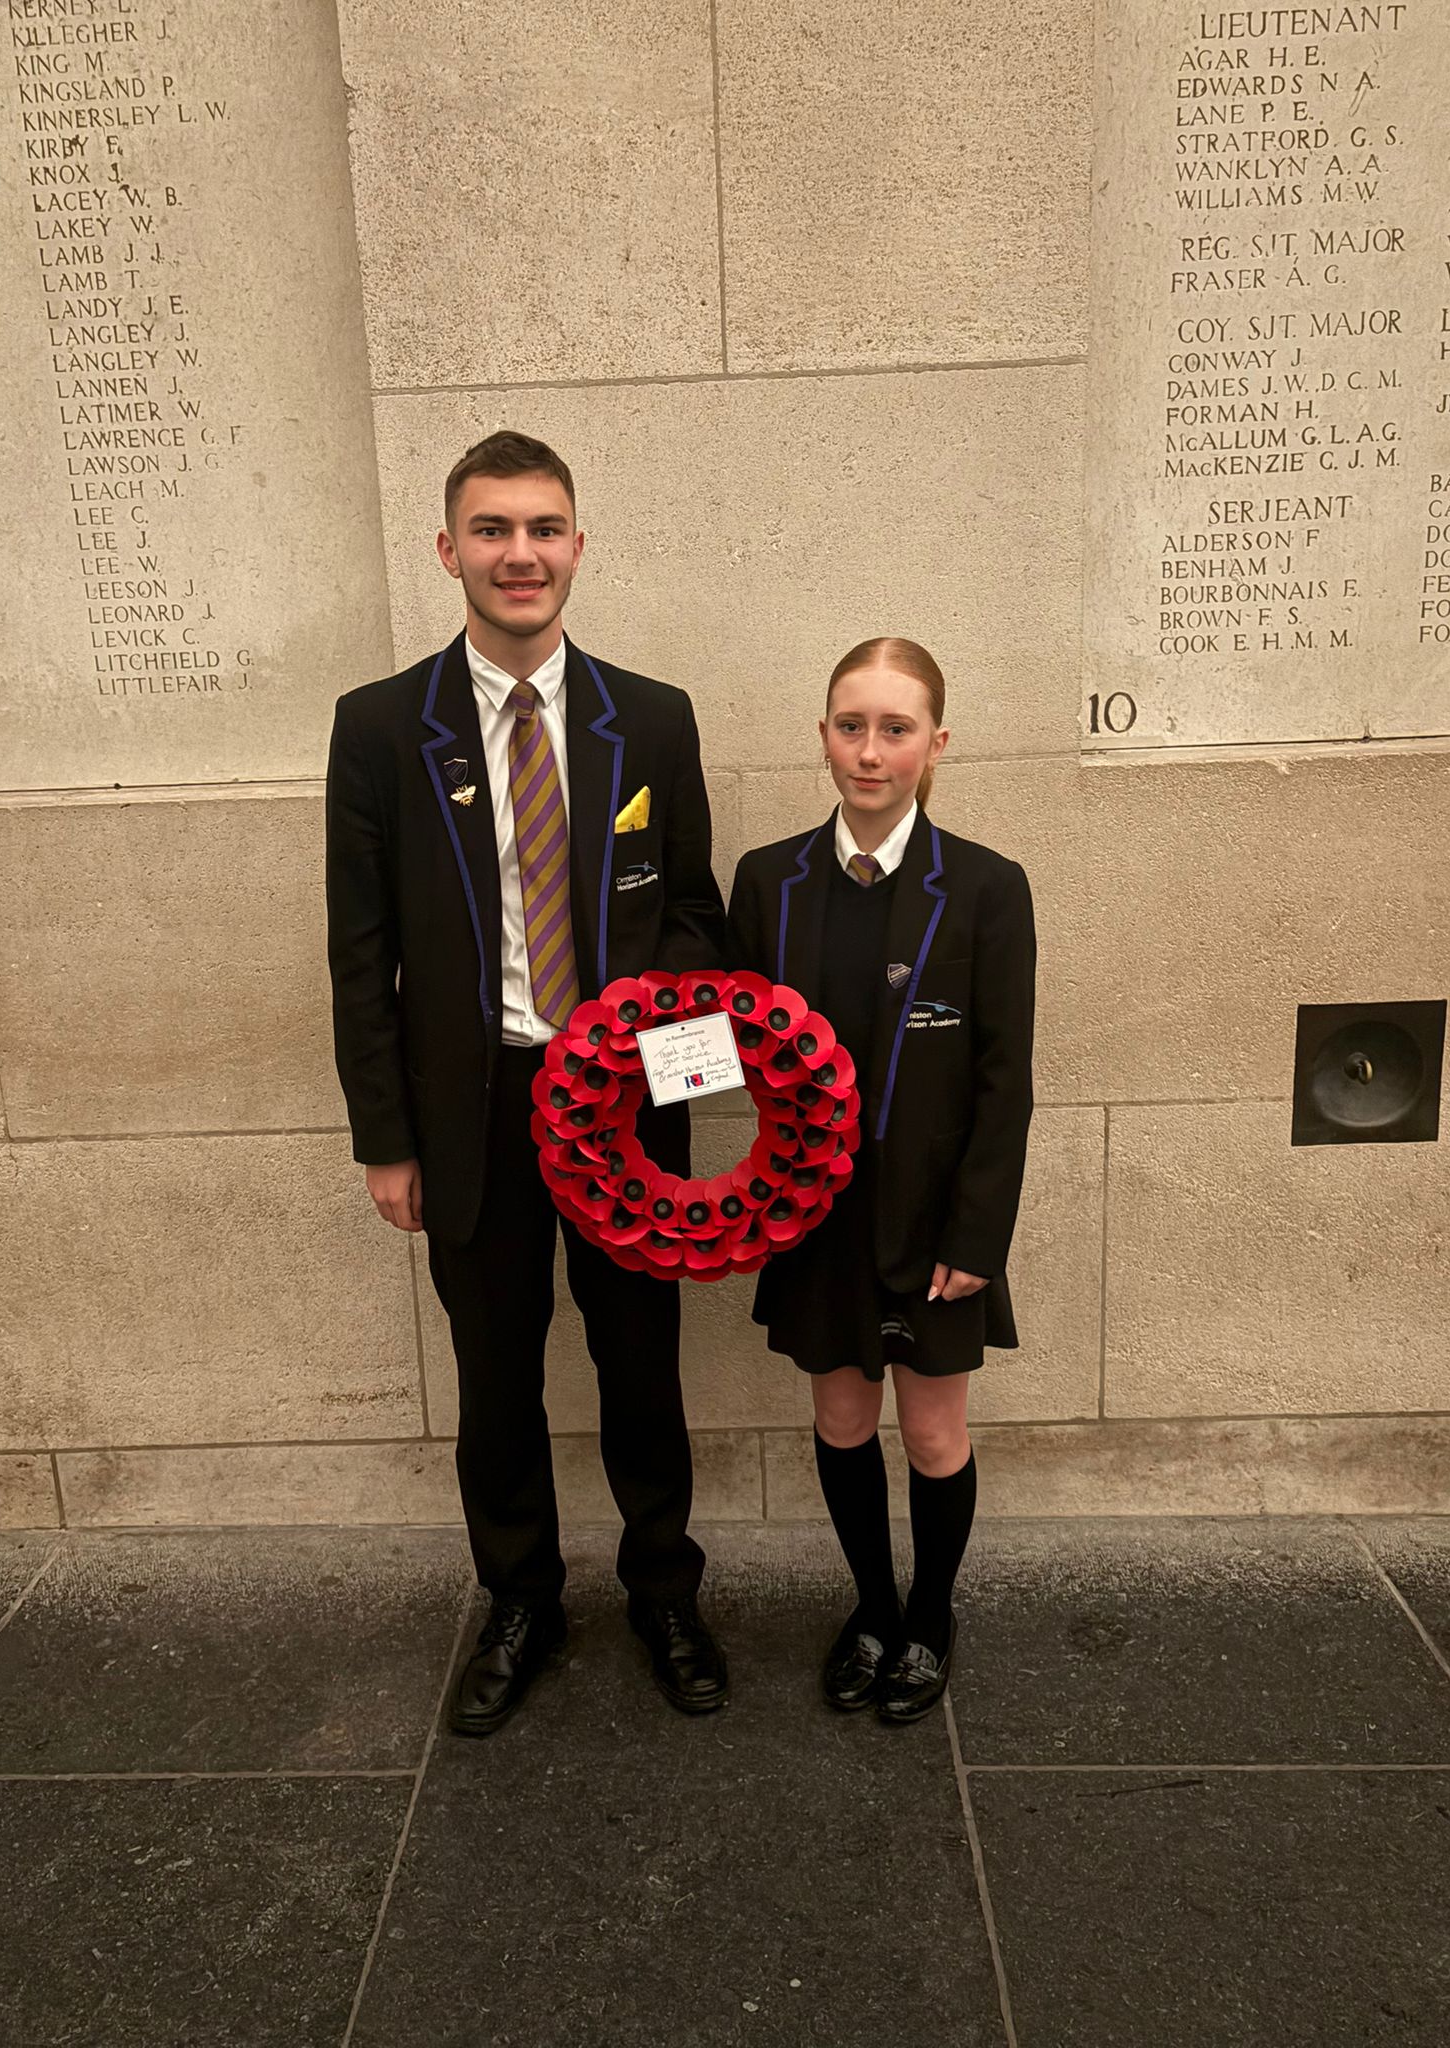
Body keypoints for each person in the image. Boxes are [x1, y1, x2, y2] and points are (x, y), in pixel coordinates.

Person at [325, 431, 729, 1736]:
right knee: (495, 1377)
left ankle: (665, 1591)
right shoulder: (383, 728)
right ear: (449, 551)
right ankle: (520, 1599)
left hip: (621, 1110)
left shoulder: (650, 718)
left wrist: (667, 1081)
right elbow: (361, 951)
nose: (520, 554)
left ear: (576, 544)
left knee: (640, 1364)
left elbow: (693, 925)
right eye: (492, 530)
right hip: (475, 1115)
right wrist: (387, 1142)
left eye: (543, 527)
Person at [726, 638, 1035, 1724]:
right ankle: (868, 1605)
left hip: (934, 1224)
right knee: (844, 1419)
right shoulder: (769, 881)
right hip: (814, 1218)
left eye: (895, 728)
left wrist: (978, 1237)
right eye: (851, 725)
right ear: (822, 734)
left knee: (935, 1434)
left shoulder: (988, 887)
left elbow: (1006, 1082)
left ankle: (932, 1613)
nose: (870, 750)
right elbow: (728, 1038)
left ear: (935, 744)